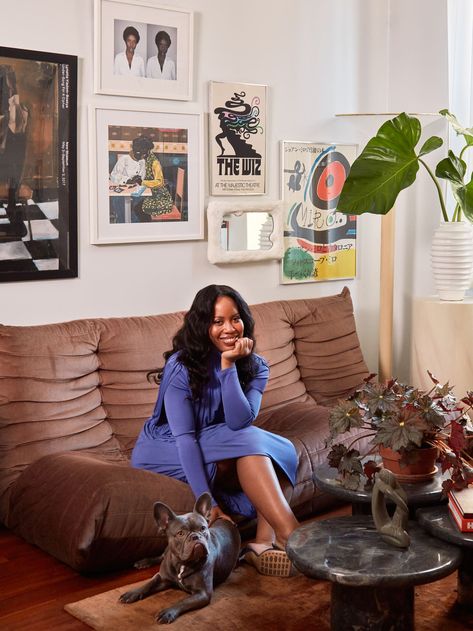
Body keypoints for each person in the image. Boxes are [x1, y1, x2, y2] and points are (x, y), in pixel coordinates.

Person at [131, 284, 300, 577]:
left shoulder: (257, 366)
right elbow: (185, 438)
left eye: (235, 318)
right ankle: (294, 537)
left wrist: (228, 367)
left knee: (272, 448)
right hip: (166, 445)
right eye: (217, 321)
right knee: (261, 442)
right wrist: (207, 505)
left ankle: (265, 542)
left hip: (221, 438)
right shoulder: (180, 366)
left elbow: (239, 421)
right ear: (202, 325)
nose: (229, 328)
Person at [109, 135, 150, 223]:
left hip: (135, 192)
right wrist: (127, 180)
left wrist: (139, 179)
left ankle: (134, 223)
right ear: (137, 152)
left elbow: (142, 176)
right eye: (144, 153)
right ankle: (123, 223)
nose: (145, 156)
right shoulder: (124, 159)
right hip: (121, 193)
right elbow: (113, 176)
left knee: (139, 208)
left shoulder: (142, 162)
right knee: (121, 208)